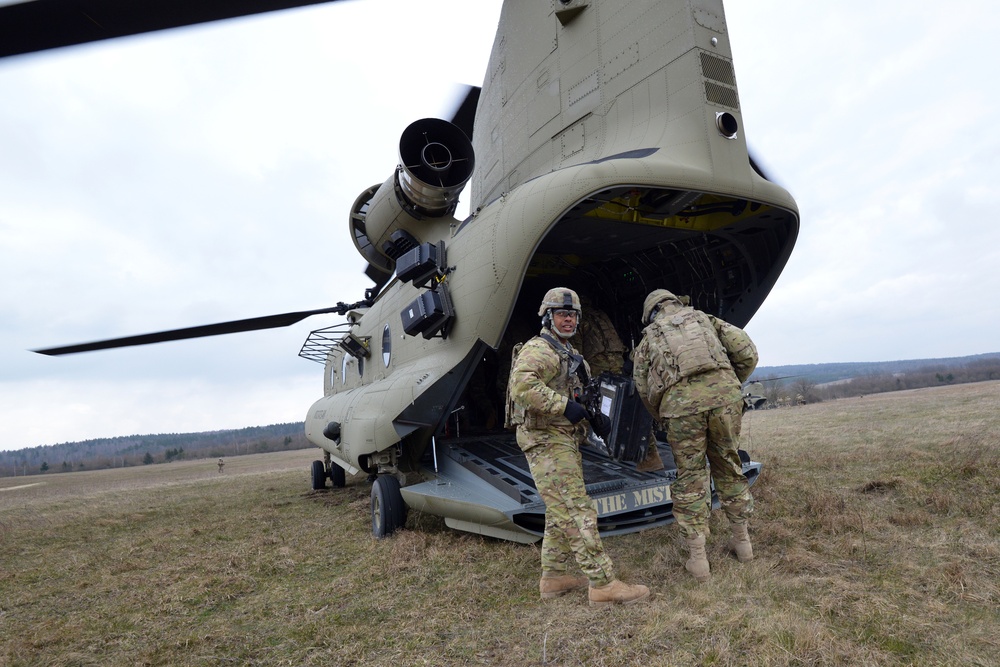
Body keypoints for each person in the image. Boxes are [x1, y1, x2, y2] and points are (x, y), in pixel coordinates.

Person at [507, 287, 650, 606]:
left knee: (560, 511)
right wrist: (563, 406)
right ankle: (602, 583)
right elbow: (522, 387)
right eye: (562, 314)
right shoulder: (540, 349)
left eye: (573, 315)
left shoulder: (569, 353)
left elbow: (579, 394)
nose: (569, 320)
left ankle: (554, 578)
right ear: (548, 316)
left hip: (563, 438)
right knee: (576, 510)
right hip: (545, 440)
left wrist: (590, 416)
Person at [631, 288, 758, 582]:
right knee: (728, 464)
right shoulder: (704, 319)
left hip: (680, 408)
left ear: (650, 313)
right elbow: (746, 351)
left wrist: (663, 412)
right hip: (724, 399)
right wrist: (727, 385)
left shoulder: (649, 336)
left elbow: (641, 387)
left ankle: (698, 559)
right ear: (677, 303)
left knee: (690, 476)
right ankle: (743, 544)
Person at [576, 295, 664, 472]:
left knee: (591, 404)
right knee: (625, 408)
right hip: (615, 363)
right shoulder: (600, 314)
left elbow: (574, 352)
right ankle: (649, 456)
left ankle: (583, 440)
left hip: (597, 366)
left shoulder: (580, 320)